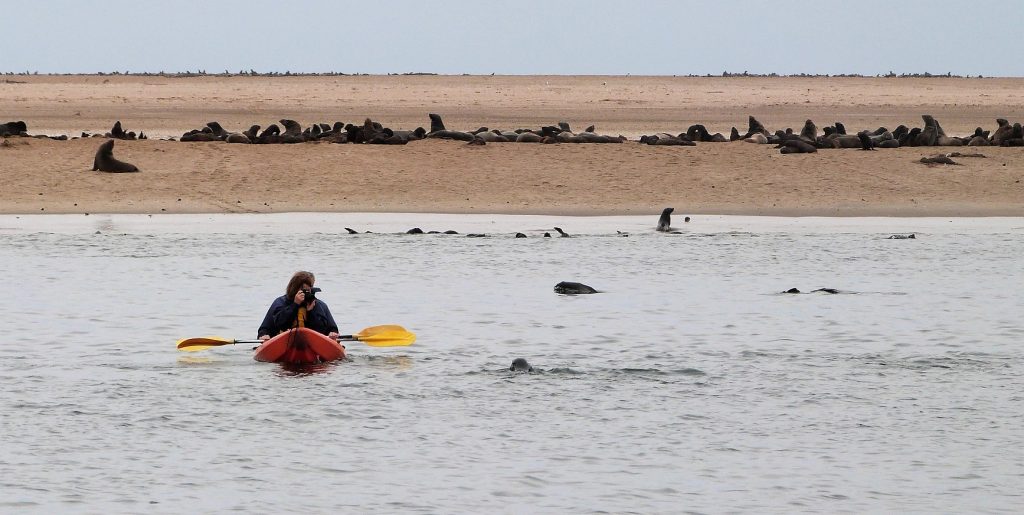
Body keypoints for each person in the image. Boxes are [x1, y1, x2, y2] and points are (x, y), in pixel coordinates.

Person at [258, 271, 339, 342]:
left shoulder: (319, 305)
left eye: (308, 290)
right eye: (303, 291)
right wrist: (295, 305)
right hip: (284, 341)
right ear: (294, 289)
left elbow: (327, 329)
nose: (305, 294)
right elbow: (267, 328)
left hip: (311, 342)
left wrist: (310, 312)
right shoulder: (280, 303)